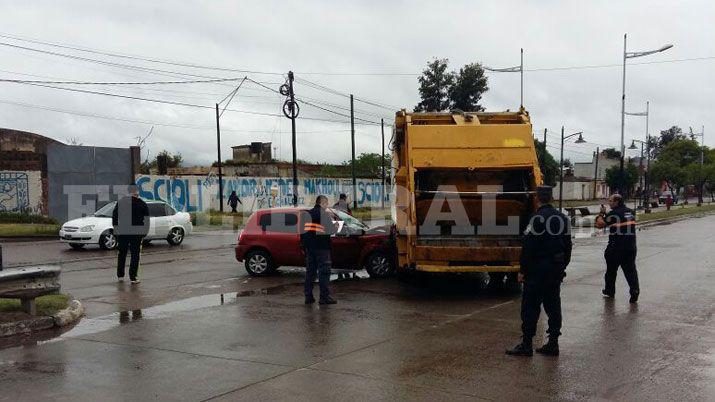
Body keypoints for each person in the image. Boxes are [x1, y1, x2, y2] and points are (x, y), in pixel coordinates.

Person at [506, 186, 572, 357]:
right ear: (551, 198)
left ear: (537, 199)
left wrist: (522, 270)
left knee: (530, 306)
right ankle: (553, 343)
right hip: (555, 269)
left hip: (537, 270)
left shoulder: (536, 219)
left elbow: (528, 248)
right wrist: (562, 267)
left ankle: (527, 344)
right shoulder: (563, 218)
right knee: (553, 306)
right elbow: (568, 246)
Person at [595, 193, 639, 303]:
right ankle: (634, 291)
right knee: (631, 271)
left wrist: (601, 213)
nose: (609, 203)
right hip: (630, 247)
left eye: (610, 201)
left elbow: (600, 225)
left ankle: (609, 291)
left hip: (616, 247)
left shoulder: (614, 214)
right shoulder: (630, 212)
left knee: (611, 271)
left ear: (616, 202)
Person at [300, 195, 338, 305]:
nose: (327, 206)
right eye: (326, 204)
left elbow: (302, 232)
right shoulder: (324, 214)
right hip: (322, 248)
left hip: (310, 248)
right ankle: (324, 298)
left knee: (310, 273)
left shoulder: (306, 214)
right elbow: (330, 231)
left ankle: (308, 297)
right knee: (324, 273)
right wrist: (335, 225)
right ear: (323, 203)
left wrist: (303, 245)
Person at [112, 184, 149, 284]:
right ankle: (133, 277)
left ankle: (120, 275)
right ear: (137, 191)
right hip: (137, 233)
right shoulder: (142, 204)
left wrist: (116, 229)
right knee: (135, 255)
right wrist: (144, 233)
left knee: (122, 254)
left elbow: (115, 216)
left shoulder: (121, 202)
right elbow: (146, 220)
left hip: (123, 231)